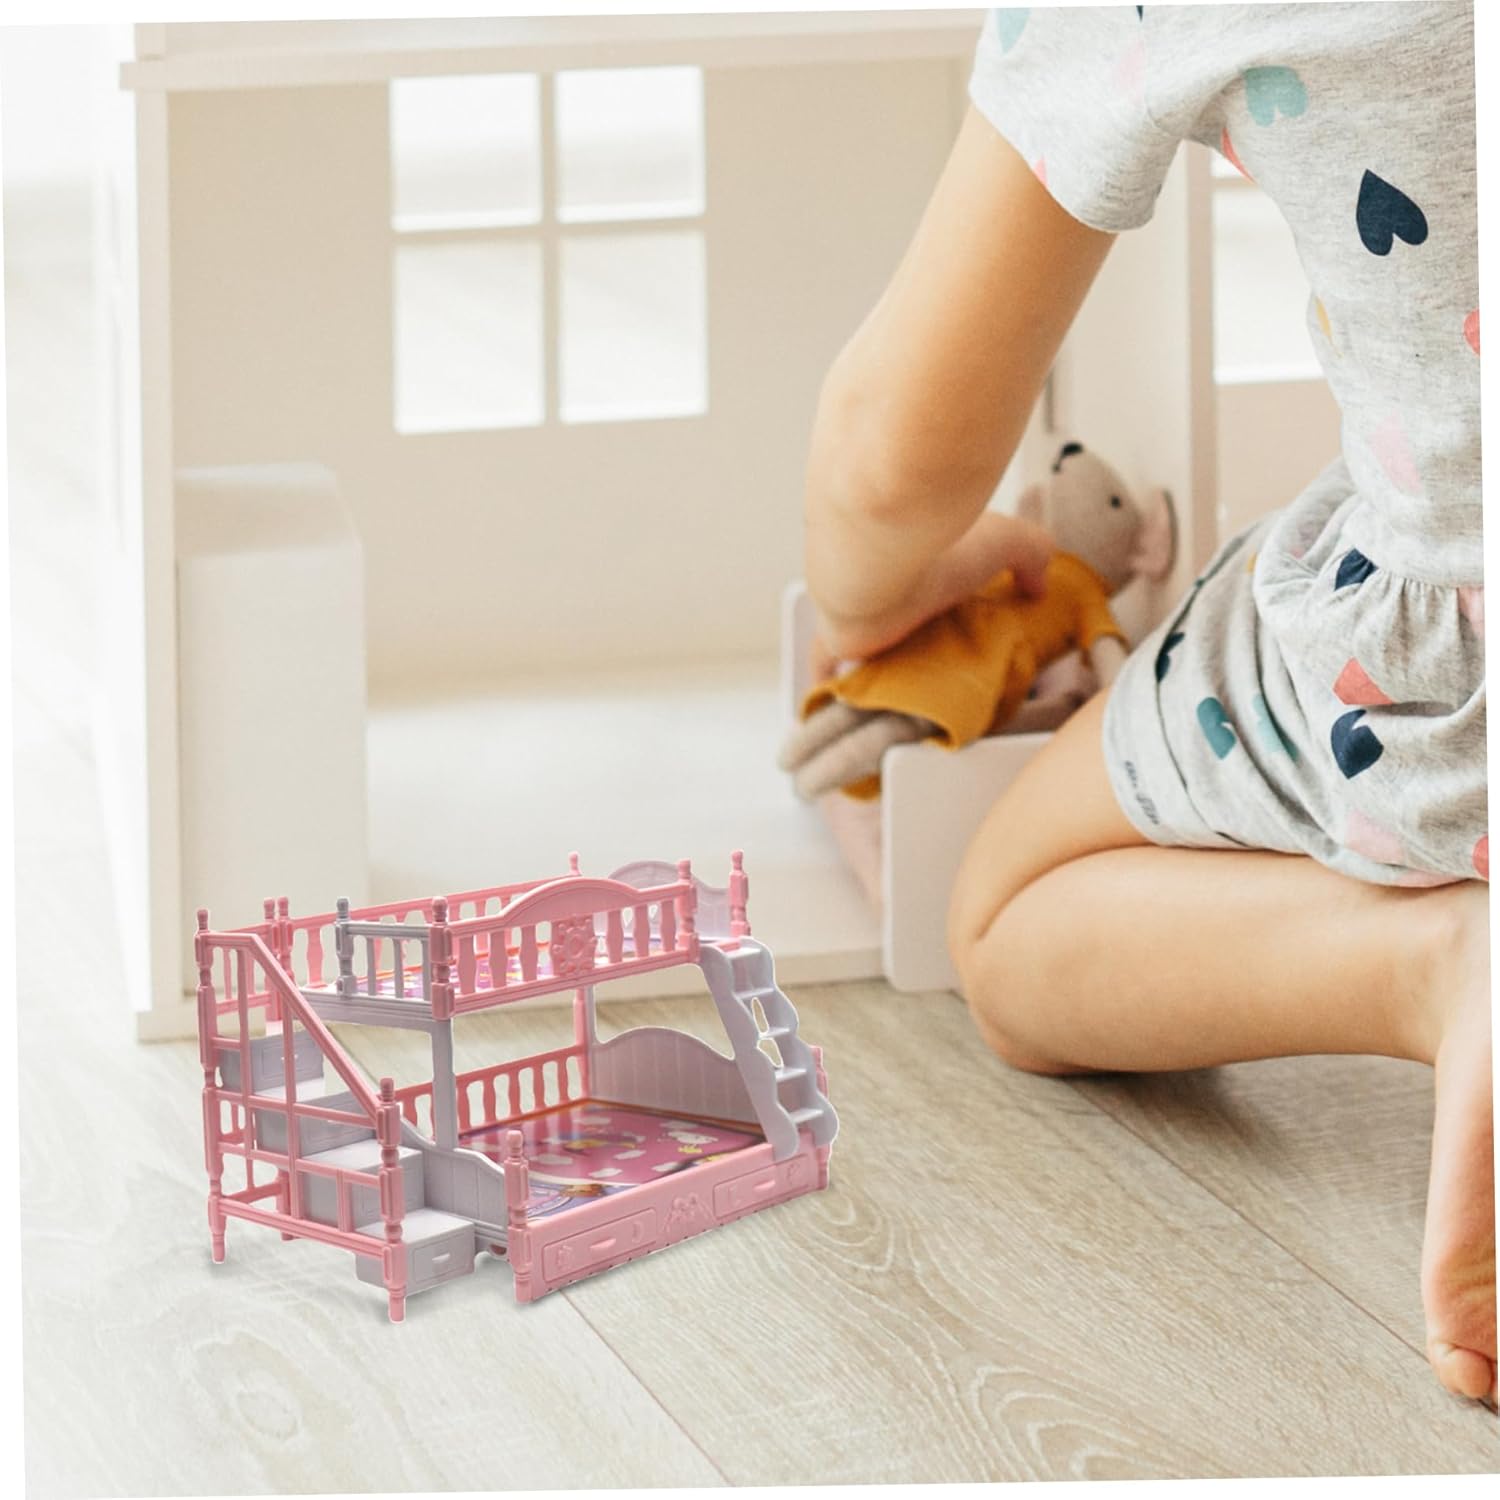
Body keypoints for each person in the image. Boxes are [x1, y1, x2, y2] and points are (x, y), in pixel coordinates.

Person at [801, 3, 1492, 1403]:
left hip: (1450, 683)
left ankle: (1446, 968)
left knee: (1005, 919)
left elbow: (893, 459)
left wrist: (865, 601)